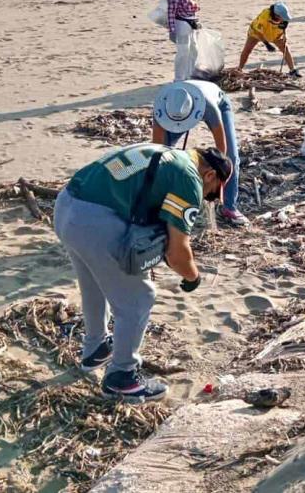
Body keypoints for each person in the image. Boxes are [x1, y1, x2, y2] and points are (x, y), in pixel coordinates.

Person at [55, 142, 231, 402]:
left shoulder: (165, 151)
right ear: (210, 176)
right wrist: (192, 276)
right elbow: (177, 251)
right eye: (211, 195)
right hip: (94, 222)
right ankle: (122, 378)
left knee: (94, 282)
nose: (208, 199)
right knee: (139, 298)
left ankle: (95, 348)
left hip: (66, 206)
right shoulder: (189, 177)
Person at [151, 81, 247, 227]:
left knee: (232, 157)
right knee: (163, 158)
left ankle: (229, 206)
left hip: (218, 102)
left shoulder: (210, 108)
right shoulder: (162, 108)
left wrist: (214, 184)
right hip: (178, 110)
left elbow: (222, 154)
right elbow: (158, 151)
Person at [237, 2, 299, 75]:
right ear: (276, 15)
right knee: (247, 50)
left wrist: (284, 36)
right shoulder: (265, 16)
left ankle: (292, 70)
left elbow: (283, 28)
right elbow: (258, 32)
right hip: (256, 32)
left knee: (285, 48)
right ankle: (239, 69)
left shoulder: (284, 18)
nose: (284, 19)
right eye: (282, 18)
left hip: (274, 33)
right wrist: (267, 44)